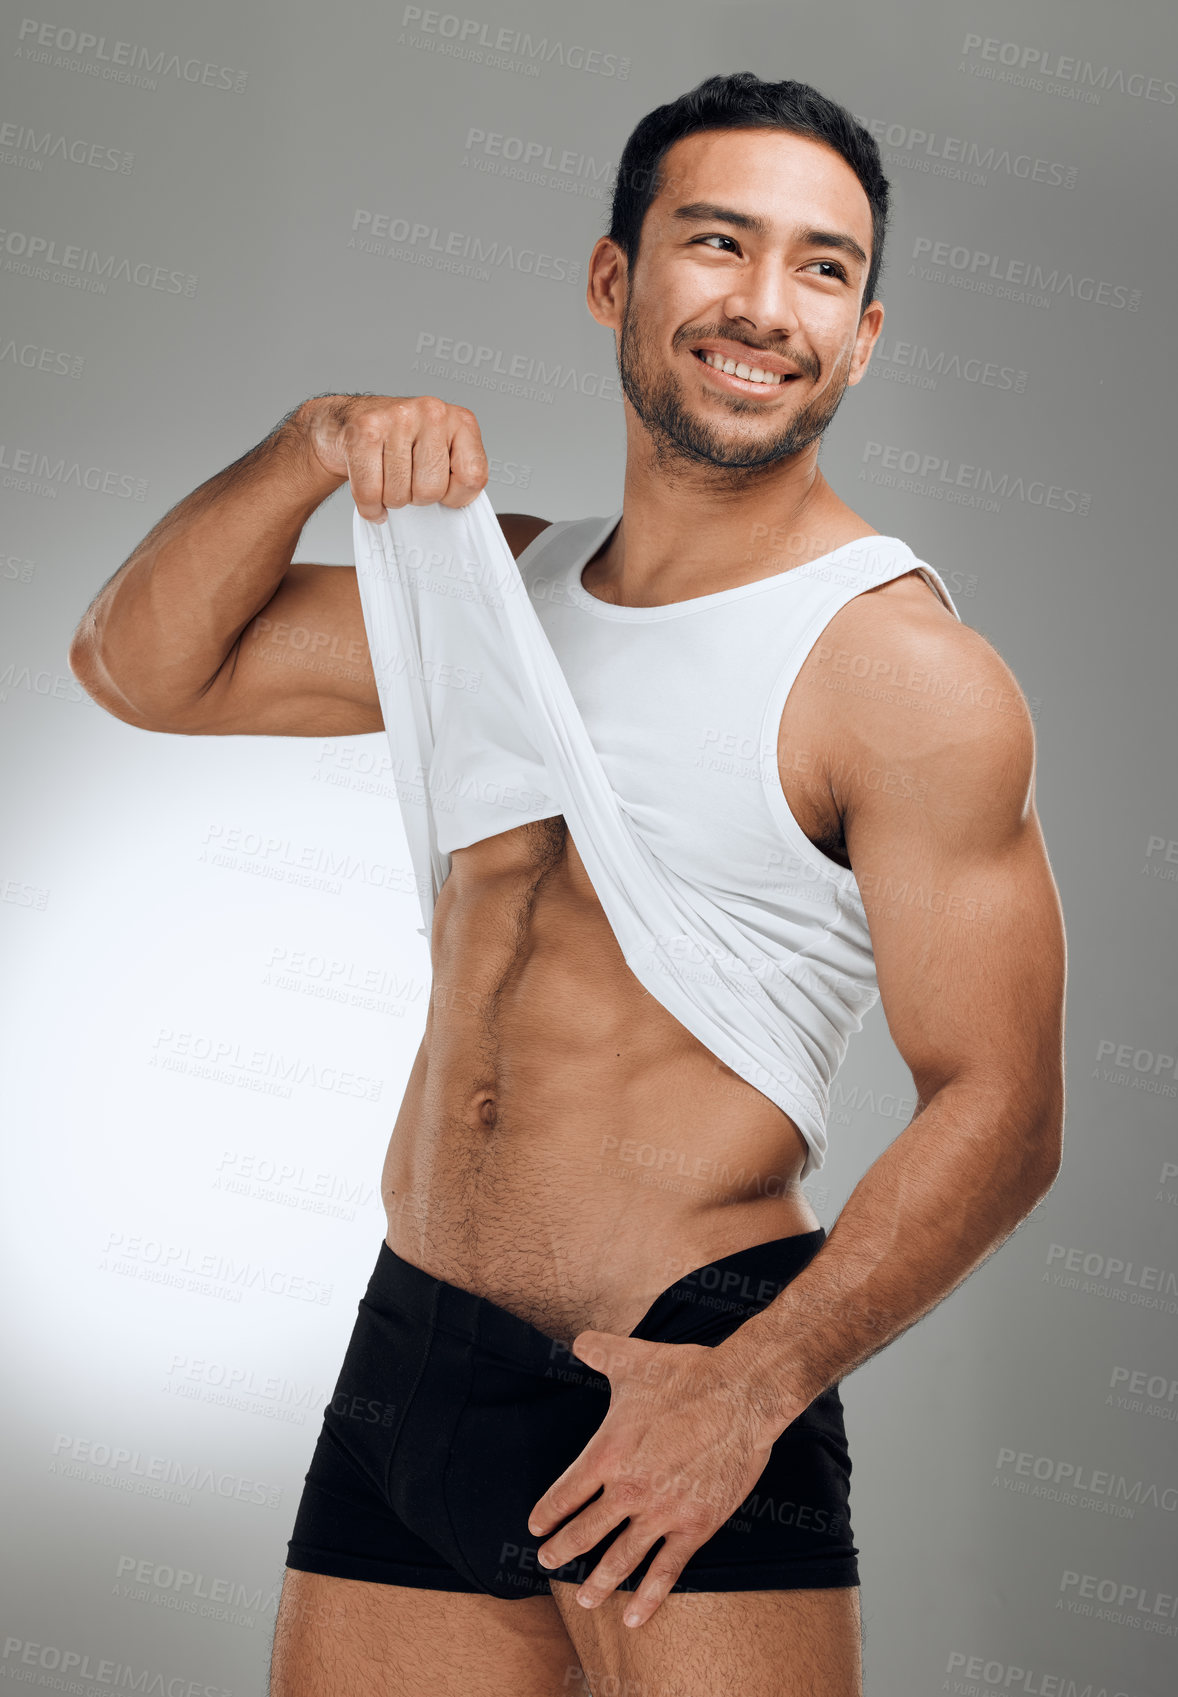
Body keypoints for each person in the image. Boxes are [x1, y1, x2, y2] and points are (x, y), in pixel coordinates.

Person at [69, 72, 1065, 1697]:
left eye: (820, 268)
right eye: (717, 243)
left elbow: (1005, 1104)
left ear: (864, 334)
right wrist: (314, 439)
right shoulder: (493, 587)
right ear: (615, 280)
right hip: (416, 1351)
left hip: (690, 1357)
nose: (763, 306)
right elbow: (139, 666)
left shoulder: (900, 672)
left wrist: (750, 1388)